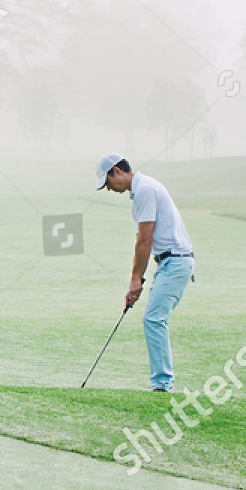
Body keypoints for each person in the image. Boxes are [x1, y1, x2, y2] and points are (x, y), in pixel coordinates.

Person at [96, 154, 195, 392]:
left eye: (108, 182)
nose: (109, 189)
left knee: (153, 318)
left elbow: (144, 240)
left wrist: (134, 282)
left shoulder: (145, 190)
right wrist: (138, 279)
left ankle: (162, 385)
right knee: (153, 318)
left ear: (117, 171)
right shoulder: (141, 189)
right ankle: (162, 383)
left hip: (176, 262)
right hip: (167, 263)